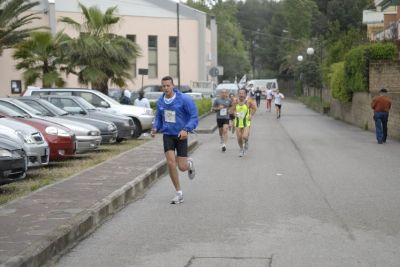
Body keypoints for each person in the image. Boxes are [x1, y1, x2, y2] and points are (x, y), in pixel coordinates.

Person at [151, 76, 198, 204]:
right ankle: (179, 193)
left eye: (168, 85)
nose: (166, 88)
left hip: (181, 135)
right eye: (163, 86)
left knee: (182, 167)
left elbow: (194, 117)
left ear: (173, 86)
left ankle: (189, 164)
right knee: (171, 163)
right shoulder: (160, 102)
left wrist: (186, 129)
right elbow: (159, 119)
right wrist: (155, 128)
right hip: (168, 135)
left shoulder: (184, 99)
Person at [230, 88, 257, 157]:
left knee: (244, 136)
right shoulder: (235, 101)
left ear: (245, 94)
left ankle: (246, 141)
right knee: (239, 138)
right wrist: (234, 113)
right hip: (238, 123)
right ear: (238, 94)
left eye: (243, 93)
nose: (241, 94)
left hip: (246, 122)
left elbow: (254, 108)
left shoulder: (248, 101)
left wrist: (251, 115)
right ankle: (241, 149)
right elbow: (231, 110)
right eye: (240, 93)